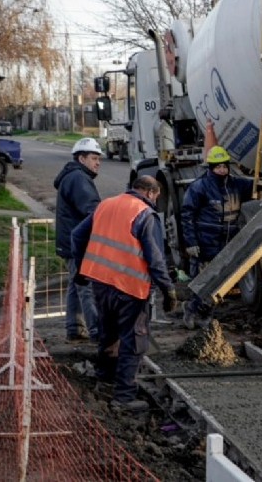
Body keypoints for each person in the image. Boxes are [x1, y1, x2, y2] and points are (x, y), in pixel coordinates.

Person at [71, 176, 178, 412]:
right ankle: (124, 397)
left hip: (101, 282)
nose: (156, 201)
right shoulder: (145, 215)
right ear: (150, 192)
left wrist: (80, 269)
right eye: (157, 196)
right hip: (130, 288)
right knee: (133, 340)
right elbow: (155, 258)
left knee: (109, 333)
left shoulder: (106, 204)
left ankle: (104, 380)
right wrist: (168, 289)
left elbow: (77, 235)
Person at [180, 145, 254, 329]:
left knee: (220, 281)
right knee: (203, 278)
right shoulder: (199, 187)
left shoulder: (236, 185)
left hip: (227, 241)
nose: (222, 170)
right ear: (210, 168)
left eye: (224, 166)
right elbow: (187, 215)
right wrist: (191, 243)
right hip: (206, 240)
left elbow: (258, 184)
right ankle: (190, 309)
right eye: (217, 167)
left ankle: (206, 314)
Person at [54, 137, 103, 343]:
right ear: (81, 158)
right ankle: (98, 332)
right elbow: (92, 210)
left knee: (76, 286)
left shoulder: (74, 176)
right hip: (78, 244)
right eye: (94, 158)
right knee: (87, 288)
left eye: (98, 158)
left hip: (70, 242)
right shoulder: (79, 179)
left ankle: (74, 327)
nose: (98, 162)